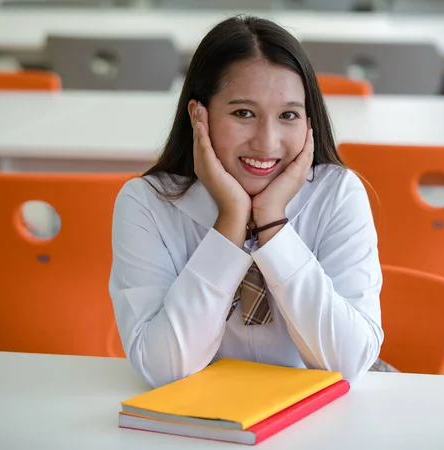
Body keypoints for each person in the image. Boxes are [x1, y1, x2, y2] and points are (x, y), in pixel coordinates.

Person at [109, 15, 390, 389]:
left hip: (319, 419)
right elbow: (165, 369)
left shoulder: (338, 194)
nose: (267, 142)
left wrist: (272, 223)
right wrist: (230, 224)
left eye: (288, 115)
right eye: (244, 113)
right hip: (203, 421)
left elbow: (348, 362)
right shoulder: (146, 203)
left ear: (309, 122)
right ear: (199, 115)